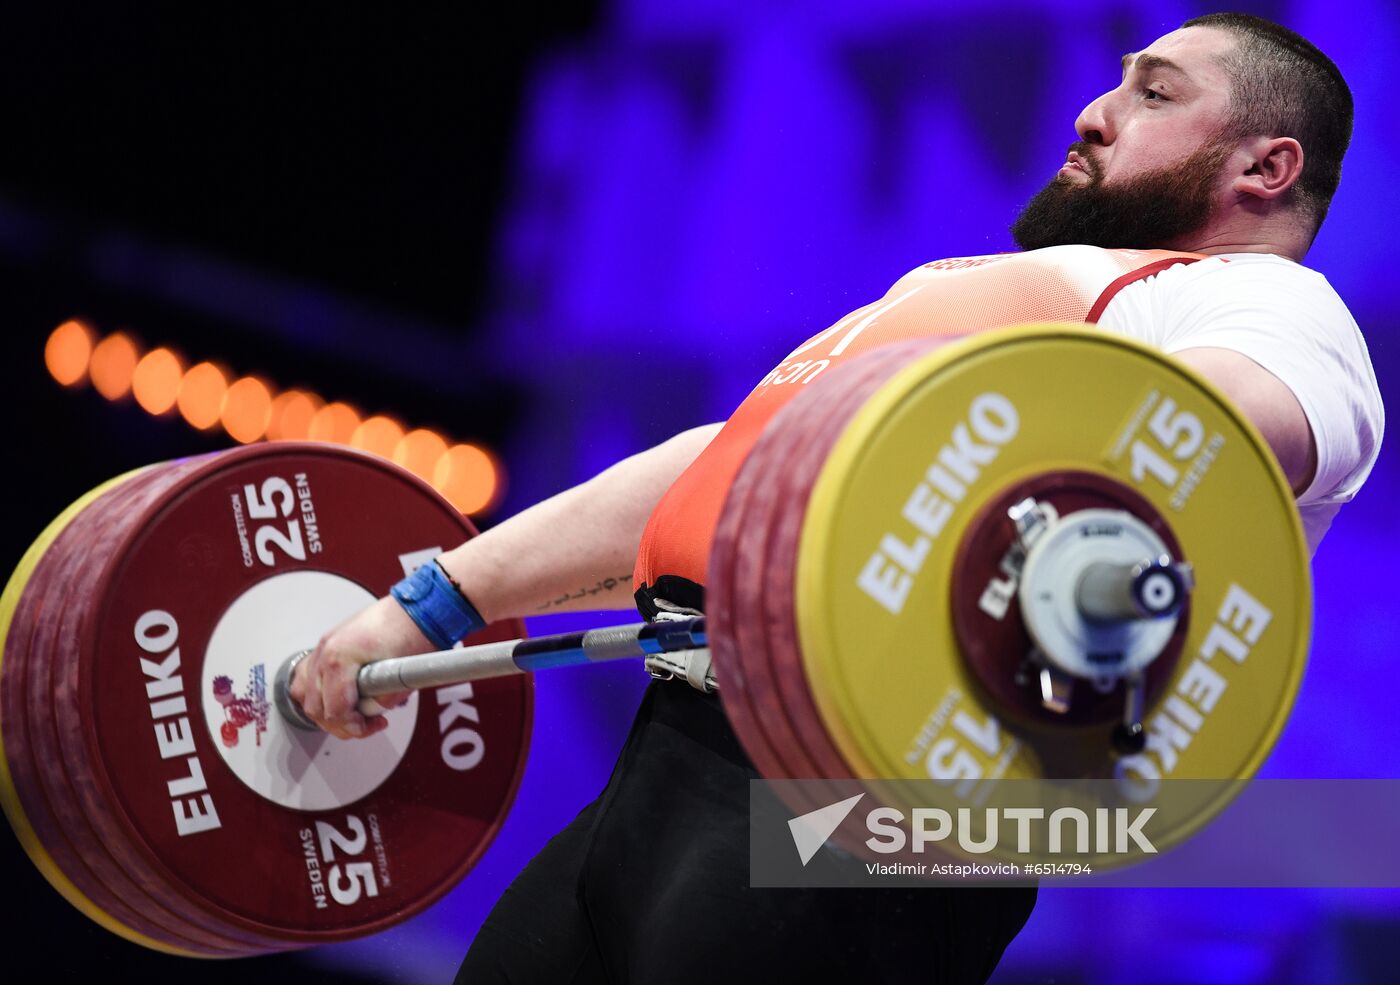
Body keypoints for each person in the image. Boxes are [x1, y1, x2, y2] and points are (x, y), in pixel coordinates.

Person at [290, 12, 1383, 984]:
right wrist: (429, 606)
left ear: (1266, 166)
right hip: (678, 749)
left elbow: (1203, 433)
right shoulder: (1032, 296)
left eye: (1154, 93)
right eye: (1114, 80)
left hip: (864, 814)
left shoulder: (1270, 308)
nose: (1094, 111)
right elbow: (727, 466)